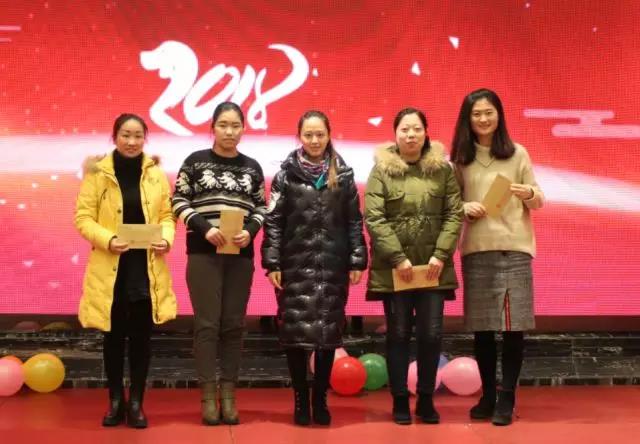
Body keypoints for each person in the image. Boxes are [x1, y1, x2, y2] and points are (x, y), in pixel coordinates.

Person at [262, 110, 367, 426]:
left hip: (333, 266)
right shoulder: (285, 176)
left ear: (329, 135)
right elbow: (273, 221)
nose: (314, 140)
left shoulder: (343, 175)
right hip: (294, 266)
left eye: (320, 134)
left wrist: (357, 258)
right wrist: (272, 262)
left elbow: (354, 221)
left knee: (327, 336)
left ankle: (320, 399)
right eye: (308, 134)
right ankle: (300, 400)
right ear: (300, 136)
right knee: (295, 336)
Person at [75, 113, 177, 428]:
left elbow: (167, 215)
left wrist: (166, 239)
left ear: (145, 138)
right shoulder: (98, 173)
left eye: (137, 136)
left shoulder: (155, 174)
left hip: (145, 269)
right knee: (113, 338)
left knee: (142, 340)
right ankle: (116, 401)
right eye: (125, 135)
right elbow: (83, 218)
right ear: (114, 137)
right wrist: (108, 239)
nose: (132, 142)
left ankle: (137, 403)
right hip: (111, 269)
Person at [451, 88, 544, 426]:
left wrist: (528, 192)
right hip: (478, 248)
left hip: (514, 248)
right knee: (483, 329)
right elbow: (451, 204)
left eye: (489, 112)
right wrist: (465, 207)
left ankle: (507, 397)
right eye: (476, 114)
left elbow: (539, 199)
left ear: (499, 115)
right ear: (467, 119)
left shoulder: (517, 153)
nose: (483, 119)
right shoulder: (460, 158)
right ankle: (488, 395)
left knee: (514, 328)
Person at [364, 107, 463, 425]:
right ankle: (399, 400)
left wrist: (440, 255)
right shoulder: (381, 170)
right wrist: (399, 258)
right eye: (404, 129)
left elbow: (454, 213)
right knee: (398, 334)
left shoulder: (442, 170)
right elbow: (374, 218)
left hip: (433, 269)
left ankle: (426, 399)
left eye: (416, 129)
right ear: (395, 134)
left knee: (431, 335)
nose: (410, 135)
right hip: (397, 271)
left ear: (426, 132)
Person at [172, 102, 266, 426]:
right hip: (203, 253)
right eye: (223, 125)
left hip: (239, 255)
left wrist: (250, 231)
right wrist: (204, 228)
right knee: (207, 324)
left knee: (234, 325)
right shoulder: (195, 161)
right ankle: (207, 395)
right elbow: (178, 200)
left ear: (243, 129)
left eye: (235, 126)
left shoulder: (252, 167)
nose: (229, 131)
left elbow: (261, 207)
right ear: (212, 127)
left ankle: (228, 394)